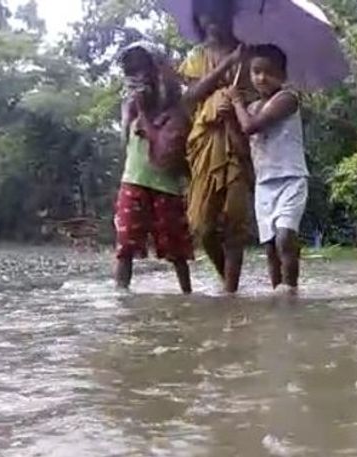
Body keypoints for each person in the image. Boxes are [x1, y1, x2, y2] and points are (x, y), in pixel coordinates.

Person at [178, 0, 255, 294]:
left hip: (237, 139)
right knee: (202, 226)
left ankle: (231, 293)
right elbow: (191, 97)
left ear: (228, 16)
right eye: (205, 16)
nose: (211, 21)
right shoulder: (197, 56)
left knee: (235, 222)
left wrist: (234, 101)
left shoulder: (248, 53)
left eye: (217, 14)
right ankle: (227, 280)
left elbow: (255, 96)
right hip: (204, 142)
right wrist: (226, 65)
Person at [114, 41, 193, 294]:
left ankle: (187, 295)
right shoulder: (130, 104)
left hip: (166, 185)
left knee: (177, 249)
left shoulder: (175, 108)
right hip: (134, 179)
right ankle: (121, 295)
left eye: (144, 69)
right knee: (125, 246)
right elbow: (125, 142)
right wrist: (128, 115)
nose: (139, 77)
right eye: (133, 71)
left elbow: (170, 149)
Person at [230, 44, 309, 295]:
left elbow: (252, 127)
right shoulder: (251, 108)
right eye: (256, 72)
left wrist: (235, 103)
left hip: (291, 178)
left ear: (283, 76)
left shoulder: (287, 99)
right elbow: (243, 145)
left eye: (269, 72)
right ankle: (278, 293)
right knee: (271, 246)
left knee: (285, 235)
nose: (262, 78)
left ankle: (291, 289)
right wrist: (230, 118)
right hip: (264, 182)